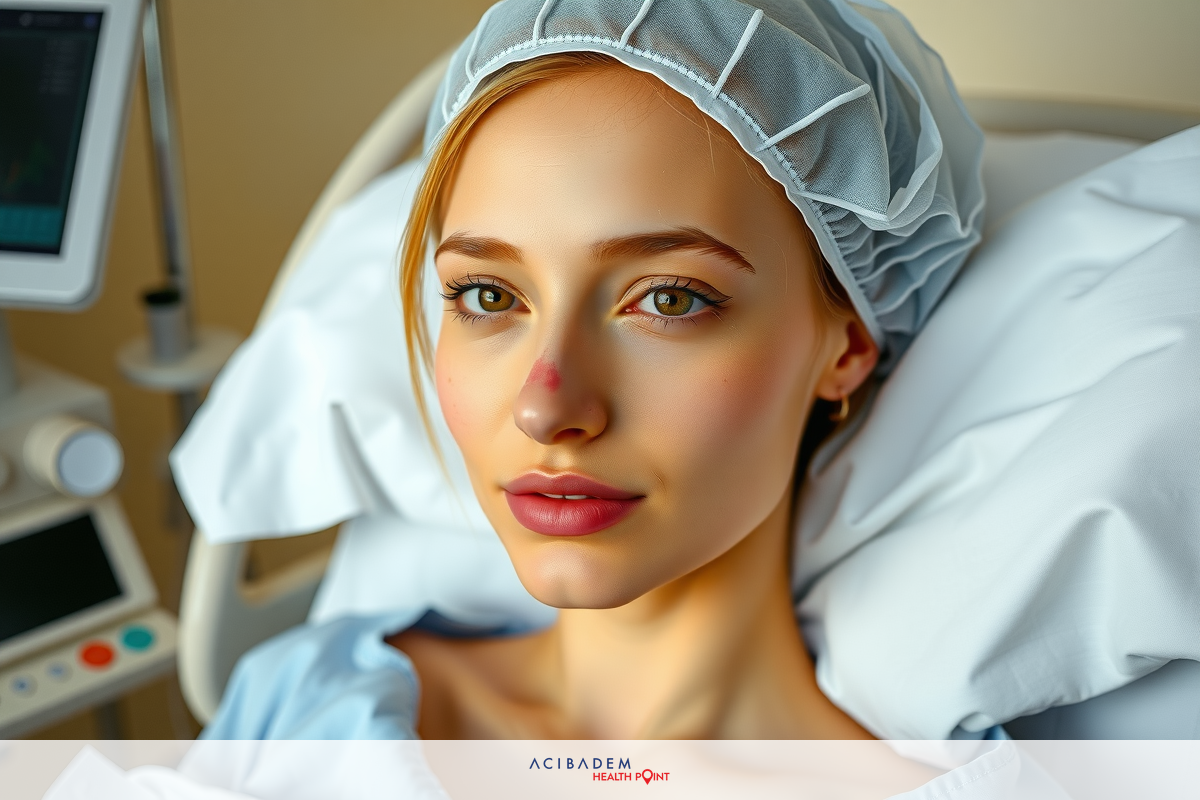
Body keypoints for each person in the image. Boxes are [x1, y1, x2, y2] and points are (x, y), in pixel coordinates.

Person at [202, 0, 984, 740]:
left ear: (845, 350)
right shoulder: (301, 700)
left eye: (669, 299)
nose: (545, 410)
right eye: (488, 295)